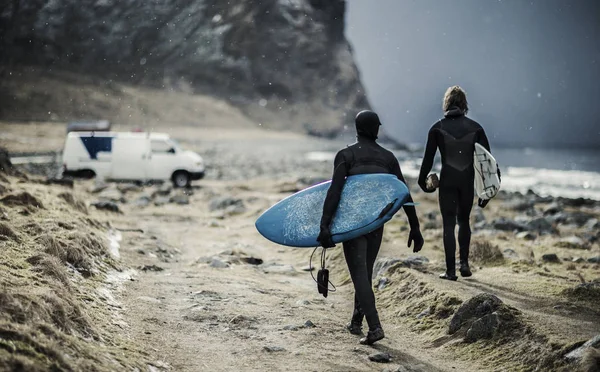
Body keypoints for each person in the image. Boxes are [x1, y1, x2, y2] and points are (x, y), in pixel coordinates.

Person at [317, 110, 424, 345]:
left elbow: (334, 192)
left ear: (357, 129)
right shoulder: (388, 157)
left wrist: (325, 225)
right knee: (363, 274)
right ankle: (356, 321)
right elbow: (403, 193)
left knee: (360, 276)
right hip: (376, 225)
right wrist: (414, 226)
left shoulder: (346, 155)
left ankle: (374, 327)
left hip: (354, 224)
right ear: (376, 129)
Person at [417, 86, 495, 281]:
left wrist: (425, 184)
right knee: (464, 221)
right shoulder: (476, 128)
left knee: (449, 225)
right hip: (466, 183)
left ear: (446, 103)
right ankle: (465, 265)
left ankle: (451, 271)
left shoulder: (437, 128)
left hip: (448, 182)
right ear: (464, 104)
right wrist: (487, 194)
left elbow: (427, 162)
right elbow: (489, 165)